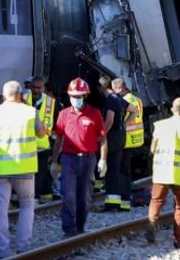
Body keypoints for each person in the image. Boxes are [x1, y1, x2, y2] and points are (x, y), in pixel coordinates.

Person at [0, 81, 47, 258]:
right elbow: (42, 133)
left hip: (1, 170)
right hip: (24, 169)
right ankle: (23, 248)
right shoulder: (30, 112)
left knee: (0, 209)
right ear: (21, 95)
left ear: (4, 96)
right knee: (27, 206)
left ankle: (3, 251)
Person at [51, 78, 108, 237]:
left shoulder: (94, 114)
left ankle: (80, 227)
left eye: (79, 96)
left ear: (85, 96)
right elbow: (59, 139)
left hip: (88, 159)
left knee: (84, 198)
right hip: (69, 159)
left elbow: (103, 139)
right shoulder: (63, 115)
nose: (76, 99)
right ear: (69, 97)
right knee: (68, 194)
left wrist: (103, 159)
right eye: (74, 96)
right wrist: (54, 162)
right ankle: (69, 229)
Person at [146, 97, 180, 249]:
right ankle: (178, 241)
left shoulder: (160, 126)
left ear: (172, 109)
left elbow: (152, 149)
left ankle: (151, 223)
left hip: (162, 172)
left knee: (156, 201)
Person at [98, 76, 137, 211]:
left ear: (102, 88)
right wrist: (124, 124)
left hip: (112, 138)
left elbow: (109, 121)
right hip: (121, 137)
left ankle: (112, 204)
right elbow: (134, 111)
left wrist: (100, 135)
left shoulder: (110, 100)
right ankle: (122, 202)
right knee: (118, 169)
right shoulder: (120, 99)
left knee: (111, 170)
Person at [112, 77, 143, 211]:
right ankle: (126, 197)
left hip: (126, 139)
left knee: (123, 170)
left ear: (120, 88)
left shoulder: (125, 100)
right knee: (126, 169)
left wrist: (122, 125)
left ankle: (125, 198)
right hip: (136, 138)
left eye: (114, 90)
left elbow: (126, 118)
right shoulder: (137, 99)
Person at [25, 76, 58, 203]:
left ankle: (36, 198)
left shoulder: (52, 103)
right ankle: (43, 194)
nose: (36, 90)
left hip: (43, 146)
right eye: (33, 87)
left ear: (43, 88)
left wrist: (54, 147)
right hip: (25, 145)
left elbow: (55, 127)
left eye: (39, 88)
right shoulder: (23, 99)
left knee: (39, 173)